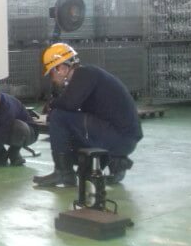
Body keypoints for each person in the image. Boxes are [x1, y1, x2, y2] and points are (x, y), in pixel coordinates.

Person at [33, 43, 142, 187]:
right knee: (70, 133)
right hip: (123, 140)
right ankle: (115, 162)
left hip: (119, 137)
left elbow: (68, 104)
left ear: (61, 68)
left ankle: (63, 173)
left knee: (58, 116)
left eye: (52, 73)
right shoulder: (88, 77)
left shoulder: (84, 74)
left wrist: (51, 105)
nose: (52, 79)